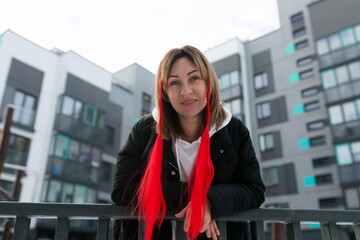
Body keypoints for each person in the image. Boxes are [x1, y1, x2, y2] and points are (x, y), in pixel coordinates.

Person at [111, 45, 265, 240]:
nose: (186, 91)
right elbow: (122, 190)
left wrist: (211, 201)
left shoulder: (234, 130)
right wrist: (198, 199)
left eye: (194, 78)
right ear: (165, 91)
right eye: (174, 83)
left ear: (208, 83)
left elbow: (254, 190)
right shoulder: (144, 130)